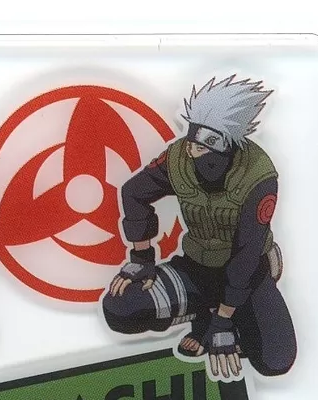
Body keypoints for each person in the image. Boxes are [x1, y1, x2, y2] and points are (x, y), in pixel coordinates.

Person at [102, 75, 296, 381]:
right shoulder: (179, 157)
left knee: (276, 359)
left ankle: (223, 318)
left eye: (201, 145)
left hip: (248, 273)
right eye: (191, 141)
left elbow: (246, 255)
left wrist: (223, 321)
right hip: (196, 267)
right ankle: (207, 313)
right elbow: (134, 192)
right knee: (121, 307)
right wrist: (141, 260)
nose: (191, 150)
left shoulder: (257, 175)